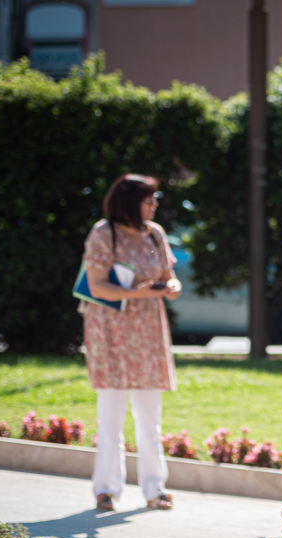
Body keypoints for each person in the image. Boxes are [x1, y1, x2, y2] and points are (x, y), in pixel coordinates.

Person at [82, 174, 181, 513]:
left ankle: (156, 490)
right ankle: (106, 489)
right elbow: (96, 286)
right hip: (110, 333)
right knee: (110, 417)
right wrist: (136, 293)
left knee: (149, 417)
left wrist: (171, 285)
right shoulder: (102, 233)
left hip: (148, 334)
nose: (154, 205)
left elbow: (168, 274)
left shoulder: (155, 234)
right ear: (130, 202)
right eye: (149, 199)